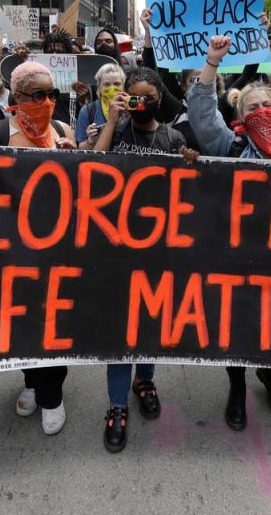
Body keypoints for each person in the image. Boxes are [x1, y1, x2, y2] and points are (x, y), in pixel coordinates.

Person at [188, 35, 271, 430]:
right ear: (239, 113)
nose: (260, 110)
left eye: (266, 105)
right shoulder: (230, 145)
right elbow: (202, 113)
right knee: (237, 324)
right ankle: (237, 385)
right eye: (252, 106)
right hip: (237, 255)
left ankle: (270, 375)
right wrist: (212, 62)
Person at [92, 66, 186, 452]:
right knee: (120, 332)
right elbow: (93, 167)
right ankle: (116, 406)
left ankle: (144, 380)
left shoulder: (173, 136)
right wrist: (112, 120)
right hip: (117, 251)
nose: (142, 103)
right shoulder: (114, 133)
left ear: (160, 99)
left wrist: (190, 162)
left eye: (149, 97)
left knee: (150, 324)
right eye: (135, 97)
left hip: (160, 252)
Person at [0, 61, 76, 438]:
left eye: (52, 94)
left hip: (59, 251)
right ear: (17, 96)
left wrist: (76, 157)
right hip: (13, 254)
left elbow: (83, 190)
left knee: (53, 324)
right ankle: (33, 382)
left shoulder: (63, 131)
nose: (47, 101)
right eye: (38, 94)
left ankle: (53, 396)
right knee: (22, 324)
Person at [74, 63, 124, 149]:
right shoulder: (87, 111)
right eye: (107, 84)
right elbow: (80, 149)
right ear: (99, 87)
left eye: (117, 84)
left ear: (124, 86)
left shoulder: (130, 109)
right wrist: (91, 141)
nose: (112, 88)